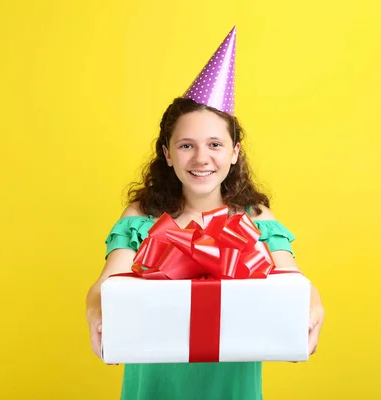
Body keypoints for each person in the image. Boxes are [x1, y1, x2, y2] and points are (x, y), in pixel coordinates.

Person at [86, 27, 324, 400]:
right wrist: (97, 312)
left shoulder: (256, 218)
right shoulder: (142, 216)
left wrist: (313, 308)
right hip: (155, 384)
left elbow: (294, 280)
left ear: (234, 151)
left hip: (230, 385)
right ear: (167, 153)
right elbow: (108, 282)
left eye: (215, 144)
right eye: (186, 145)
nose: (201, 159)